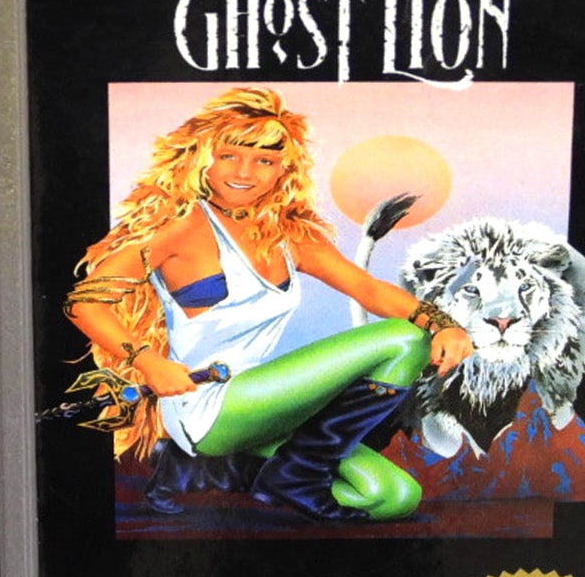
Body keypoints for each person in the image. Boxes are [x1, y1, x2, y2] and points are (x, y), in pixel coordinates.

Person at [63, 87, 473, 521]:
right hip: (207, 403)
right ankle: (295, 474)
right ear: (201, 156)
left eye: (264, 160)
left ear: (284, 169)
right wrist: (149, 362)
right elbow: (83, 303)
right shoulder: (180, 227)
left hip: (266, 403)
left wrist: (442, 322)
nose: (245, 172)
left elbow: (368, 289)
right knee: (406, 340)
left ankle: (245, 469)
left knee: (394, 497)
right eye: (229, 155)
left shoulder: (289, 234)